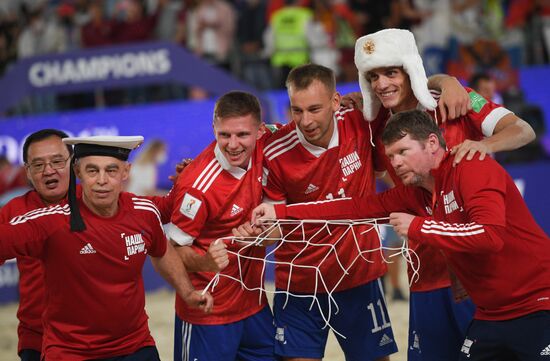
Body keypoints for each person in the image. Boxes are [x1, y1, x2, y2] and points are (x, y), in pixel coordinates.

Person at [256, 109, 550, 361]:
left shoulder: (470, 166)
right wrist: (282, 214)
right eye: (390, 155)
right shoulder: (414, 194)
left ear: (432, 143)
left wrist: (417, 227)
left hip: (538, 303)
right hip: (491, 314)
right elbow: (354, 207)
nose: (394, 163)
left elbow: (490, 236)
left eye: (402, 152)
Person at [351, 28, 535, 360]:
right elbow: (380, 172)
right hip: (424, 275)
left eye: (391, 72)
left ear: (409, 69)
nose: (381, 84)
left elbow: (524, 129)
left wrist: (482, 145)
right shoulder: (376, 126)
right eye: (373, 76)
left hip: (477, 276)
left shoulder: (457, 97)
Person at [0, 135, 213, 360]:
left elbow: (161, 249)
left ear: (125, 172)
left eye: (111, 170)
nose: (102, 180)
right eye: (93, 171)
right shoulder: (50, 221)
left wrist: (188, 292)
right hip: (71, 352)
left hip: (136, 347)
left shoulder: (142, 211)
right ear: (78, 172)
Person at [243, 63, 398, 361]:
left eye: (314, 109)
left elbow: (405, 89)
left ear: (336, 101)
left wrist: (449, 83)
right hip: (300, 286)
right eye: (296, 110)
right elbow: (276, 226)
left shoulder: (361, 120)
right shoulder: (275, 152)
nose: (305, 120)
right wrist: (259, 234)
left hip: (359, 276)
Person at [165, 91, 277, 361]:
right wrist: (208, 262)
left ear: (260, 130)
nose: (233, 144)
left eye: (242, 135)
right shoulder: (196, 187)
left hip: (255, 306)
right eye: (224, 135)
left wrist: (348, 103)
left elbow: (305, 126)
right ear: (213, 128)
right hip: (209, 314)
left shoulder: (270, 140)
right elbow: (169, 251)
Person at [0, 129, 72, 361]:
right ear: (27, 172)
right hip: (36, 338)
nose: (48, 170)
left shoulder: (95, 201)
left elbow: (155, 211)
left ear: (74, 163)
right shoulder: (12, 210)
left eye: (57, 161)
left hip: (94, 337)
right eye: (38, 165)